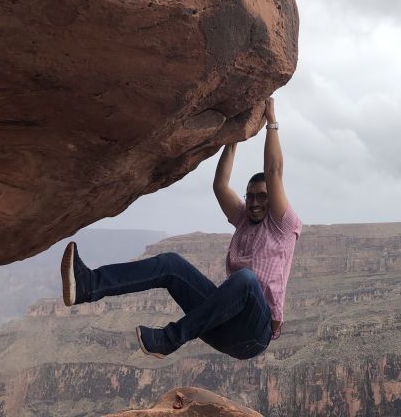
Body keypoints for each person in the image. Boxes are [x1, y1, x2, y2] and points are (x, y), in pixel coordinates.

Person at [59, 97, 302, 359]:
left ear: (273, 199)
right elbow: (220, 186)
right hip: (220, 325)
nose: (254, 203)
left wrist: (272, 121)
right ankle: (88, 286)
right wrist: (233, 139)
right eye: (250, 196)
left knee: (245, 279)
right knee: (171, 265)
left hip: (253, 335)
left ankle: (169, 339)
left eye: (262, 197)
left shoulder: (282, 225)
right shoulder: (243, 218)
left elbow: (274, 171)